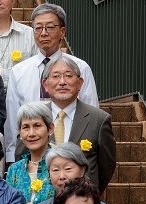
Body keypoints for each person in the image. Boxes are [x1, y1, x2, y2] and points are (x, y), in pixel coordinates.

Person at [4, 3, 98, 164]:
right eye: (38, 28)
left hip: (72, 152)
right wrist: (12, 157)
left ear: (62, 31)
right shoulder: (19, 71)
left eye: (50, 27)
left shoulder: (80, 68)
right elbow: (13, 118)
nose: (44, 33)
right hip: (31, 154)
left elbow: (91, 112)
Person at [42, 56, 116, 192]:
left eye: (68, 76)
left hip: (83, 199)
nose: (62, 82)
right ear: (45, 85)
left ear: (80, 83)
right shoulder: (35, 118)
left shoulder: (99, 119)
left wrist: (90, 194)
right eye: (56, 76)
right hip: (42, 199)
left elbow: (107, 167)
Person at [5, 102, 56, 204]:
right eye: (26, 127)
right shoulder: (14, 170)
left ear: (50, 128)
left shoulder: (59, 165)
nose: (31, 133)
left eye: (37, 126)